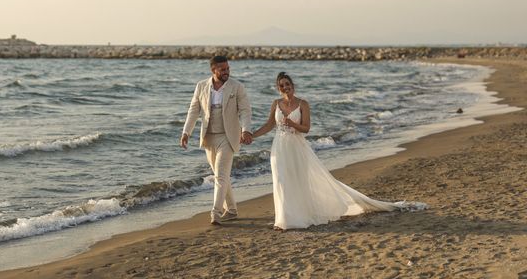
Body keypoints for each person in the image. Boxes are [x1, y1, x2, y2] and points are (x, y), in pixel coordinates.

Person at [252, 71, 426, 230]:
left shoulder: (303, 103)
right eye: (281, 85)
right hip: (279, 148)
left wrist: (293, 124)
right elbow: (269, 125)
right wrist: (252, 135)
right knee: (281, 181)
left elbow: (306, 129)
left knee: (299, 180)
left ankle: (298, 217)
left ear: (292, 85)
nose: (285, 87)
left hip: (297, 147)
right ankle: (283, 220)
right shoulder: (276, 103)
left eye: (287, 84)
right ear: (278, 88)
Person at [180, 55, 253, 225]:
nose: (226, 71)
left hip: (228, 137)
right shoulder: (201, 86)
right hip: (209, 137)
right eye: (222, 69)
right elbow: (194, 110)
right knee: (221, 175)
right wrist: (186, 133)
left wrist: (246, 130)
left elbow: (245, 111)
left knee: (220, 176)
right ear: (213, 70)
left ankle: (216, 212)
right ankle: (232, 210)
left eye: (227, 68)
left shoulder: (237, 87)